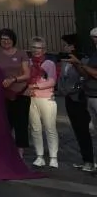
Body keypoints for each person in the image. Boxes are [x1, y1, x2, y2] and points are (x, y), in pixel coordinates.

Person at [59, 33, 95, 172]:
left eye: (66, 45)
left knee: (84, 130)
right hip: (68, 98)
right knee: (78, 131)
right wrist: (63, 90)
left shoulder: (83, 60)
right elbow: (62, 78)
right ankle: (85, 159)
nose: (64, 47)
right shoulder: (65, 61)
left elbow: (84, 77)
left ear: (73, 46)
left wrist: (74, 89)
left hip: (79, 99)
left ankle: (90, 161)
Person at [0, 27, 31, 150]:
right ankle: (6, 150)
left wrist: (13, 79)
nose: (6, 41)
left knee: (21, 124)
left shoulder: (21, 53)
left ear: (13, 39)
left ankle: (20, 153)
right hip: (3, 94)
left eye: (8, 39)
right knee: (4, 124)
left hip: (21, 93)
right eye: (3, 39)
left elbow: (27, 74)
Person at [25, 36, 58, 167]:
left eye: (39, 48)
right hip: (31, 98)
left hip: (46, 98)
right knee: (35, 128)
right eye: (34, 47)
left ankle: (53, 157)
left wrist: (34, 86)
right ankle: (39, 156)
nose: (36, 50)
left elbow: (51, 81)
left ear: (44, 50)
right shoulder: (28, 63)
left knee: (50, 128)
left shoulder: (49, 64)